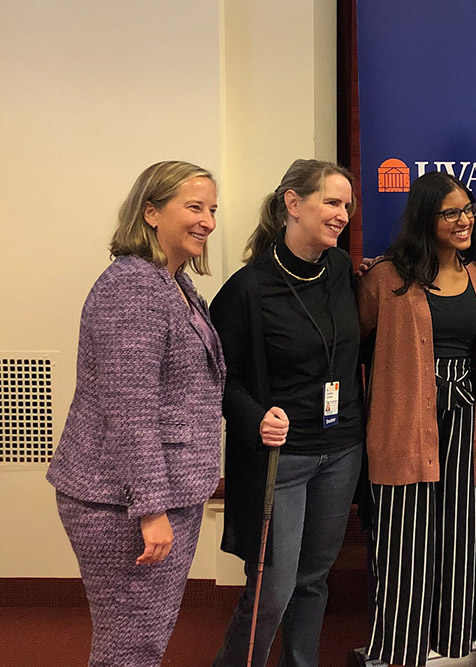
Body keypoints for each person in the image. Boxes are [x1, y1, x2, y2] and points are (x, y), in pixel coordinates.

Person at [46, 161, 225, 666]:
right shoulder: (133, 287)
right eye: (194, 207)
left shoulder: (173, 283)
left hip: (160, 493)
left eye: (212, 210)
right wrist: (150, 510)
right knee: (132, 645)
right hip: (123, 502)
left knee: (142, 637)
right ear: (150, 212)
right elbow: (131, 408)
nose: (208, 221)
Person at [211, 159, 363, 667]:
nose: (344, 213)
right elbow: (219, 381)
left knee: (315, 579)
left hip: (341, 450)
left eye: (348, 204)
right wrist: (256, 416)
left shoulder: (341, 270)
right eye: (332, 202)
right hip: (284, 459)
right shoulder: (246, 289)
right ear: (293, 205)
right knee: (273, 587)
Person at [357, 171, 476, 666]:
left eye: (468, 210)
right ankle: (399, 652)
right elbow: (353, 345)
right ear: (426, 217)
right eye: (450, 213)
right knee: (403, 544)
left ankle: (448, 646)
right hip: (403, 426)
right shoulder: (386, 278)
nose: (463, 221)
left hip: (466, 425)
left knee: (458, 537)